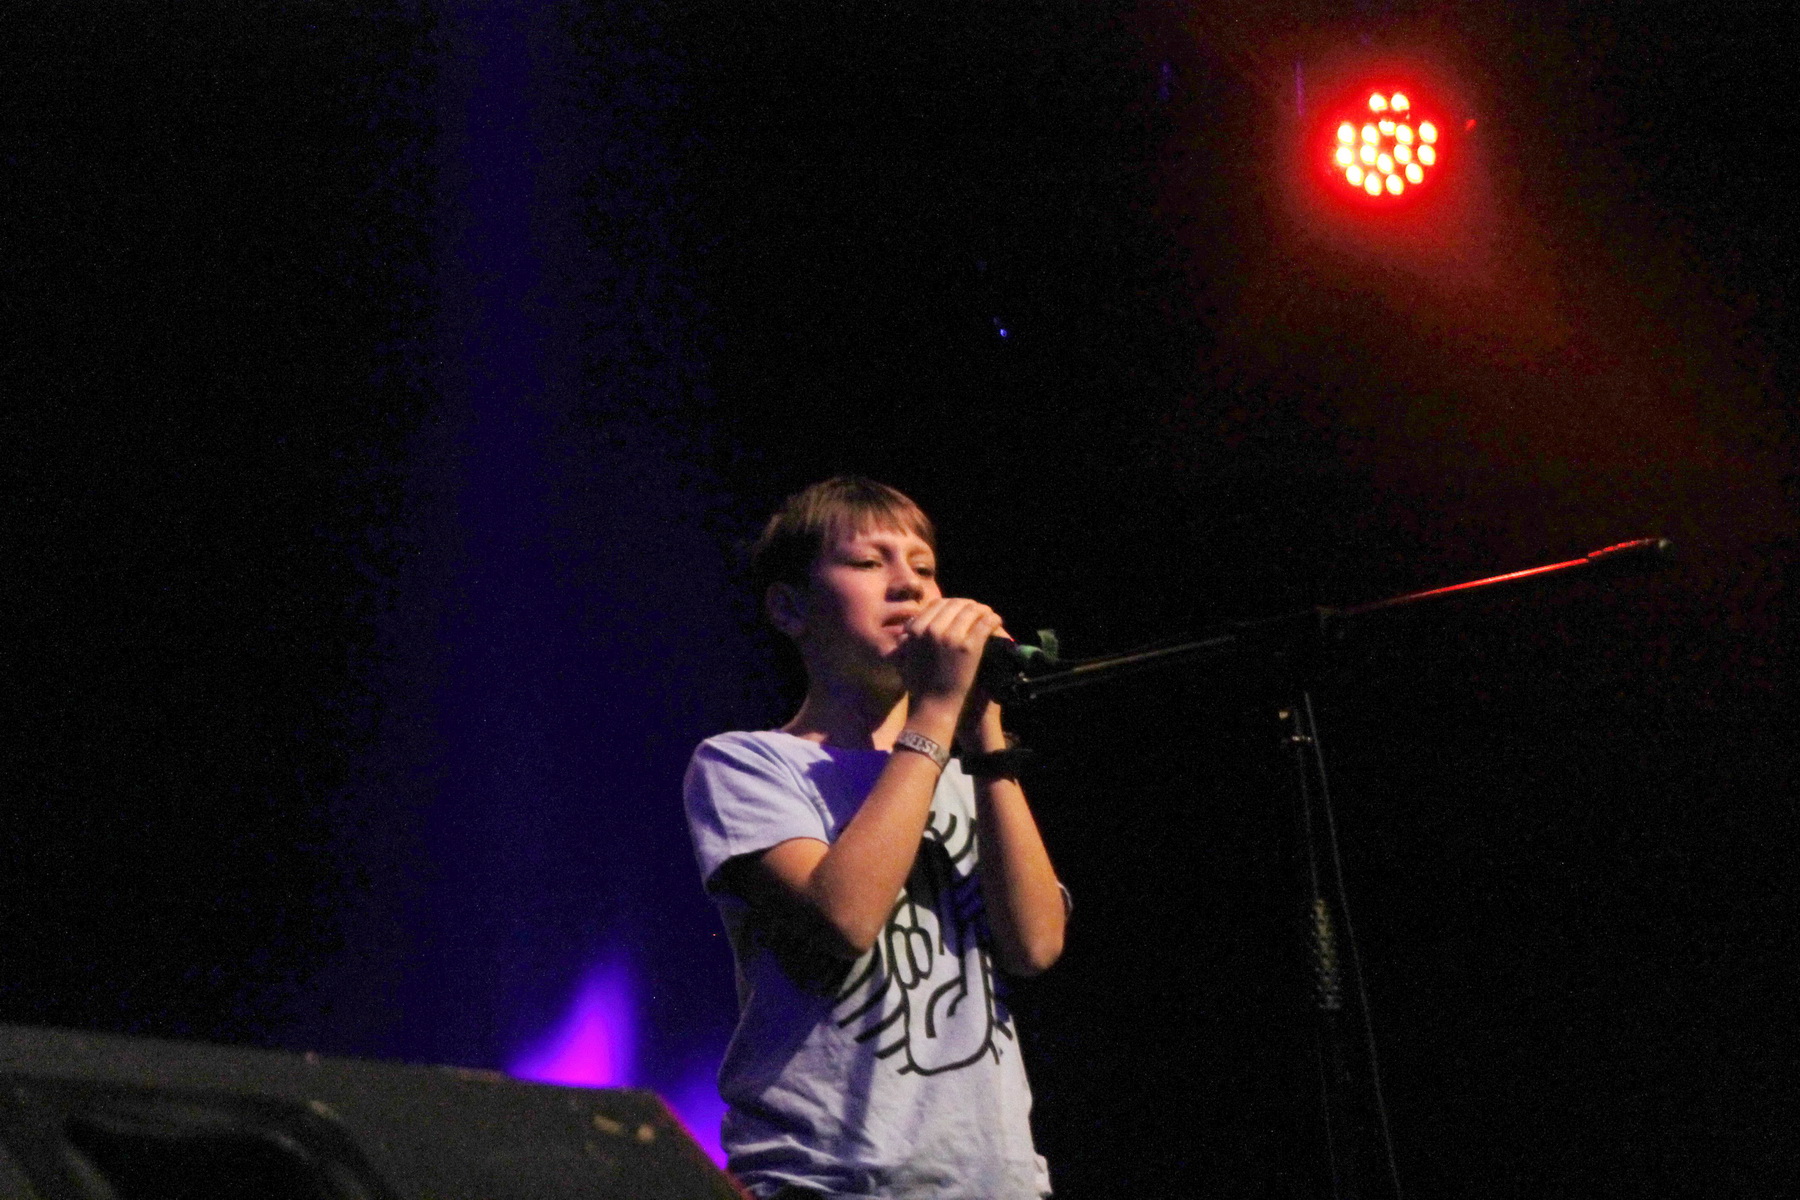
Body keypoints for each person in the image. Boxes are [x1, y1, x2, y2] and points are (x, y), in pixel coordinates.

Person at [683, 477, 1068, 1199]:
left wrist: (984, 735)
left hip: (994, 1182)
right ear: (789, 608)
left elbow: (1036, 945)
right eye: (868, 562)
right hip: (831, 1181)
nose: (909, 585)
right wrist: (936, 713)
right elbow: (845, 919)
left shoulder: (967, 773)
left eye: (925, 567)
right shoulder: (747, 763)